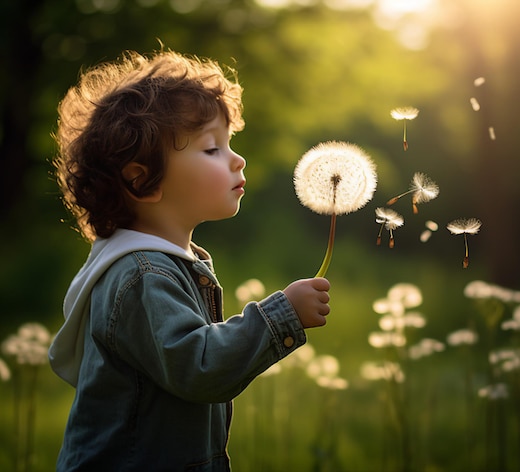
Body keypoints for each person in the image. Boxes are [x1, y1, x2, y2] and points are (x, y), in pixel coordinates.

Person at [48, 49, 331, 471]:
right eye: (212, 149)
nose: (237, 159)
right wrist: (281, 315)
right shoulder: (141, 274)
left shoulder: (159, 262)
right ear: (141, 180)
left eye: (228, 143)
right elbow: (198, 366)